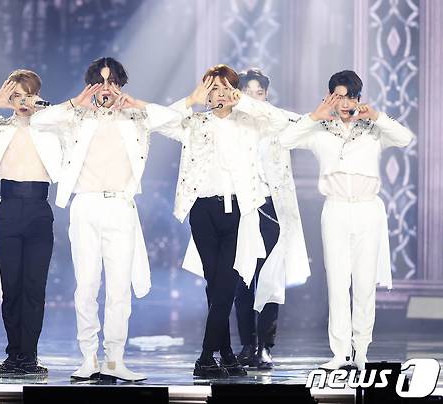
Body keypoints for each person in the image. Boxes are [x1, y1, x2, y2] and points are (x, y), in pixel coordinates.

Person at [31, 57, 182, 382]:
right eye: (99, 82)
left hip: (120, 207)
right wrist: (76, 103)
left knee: (118, 289)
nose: (106, 89)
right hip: (85, 206)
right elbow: (39, 121)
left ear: (120, 85)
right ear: (90, 87)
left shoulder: (135, 118)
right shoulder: (76, 118)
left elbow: (176, 120)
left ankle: (115, 360)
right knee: (86, 286)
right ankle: (89, 357)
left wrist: (137, 103)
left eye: (111, 81)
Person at [159, 64, 303, 379]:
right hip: (202, 211)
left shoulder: (249, 123)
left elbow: (283, 121)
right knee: (215, 287)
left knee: (226, 285)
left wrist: (245, 102)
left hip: (239, 211)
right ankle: (224, 353)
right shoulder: (195, 123)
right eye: (214, 88)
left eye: (226, 88)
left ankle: (204, 357)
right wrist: (191, 99)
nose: (220, 94)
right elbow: (159, 123)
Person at [278, 70, 414, 370]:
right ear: (329, 97)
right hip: (336, 209)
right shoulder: (319, 130)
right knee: (337, 284)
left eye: (350, 97)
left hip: (367, 210)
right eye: (338, 97)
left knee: (364, 285)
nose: (344, 103)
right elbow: (284, 140)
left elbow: (405, 138)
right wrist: (314, 116)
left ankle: (361, 350)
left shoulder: (372, 130)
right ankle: (340, 353)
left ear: (358, 98)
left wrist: (376, 116)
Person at [0, 69, 62, 375]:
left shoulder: (51, 128)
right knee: (11, 287)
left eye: (28, 95)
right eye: (16, 96)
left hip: (39, 210)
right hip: (7, 209)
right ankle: (13, 354)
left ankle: (29, 355)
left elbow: (72, 123)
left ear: (38, 95)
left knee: (34, 287)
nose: (22, 102)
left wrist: (43, 109)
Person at [232, 68, 310, 369]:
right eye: (247, 92)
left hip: (271, 208)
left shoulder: (278, 122)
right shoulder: (230, 124)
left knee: (270, 277)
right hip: (240, 208)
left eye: (259, 93)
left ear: (267, 95)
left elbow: (305, 123)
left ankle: (265, 345)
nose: (254, 98)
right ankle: (247, 344)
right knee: (242, 279)